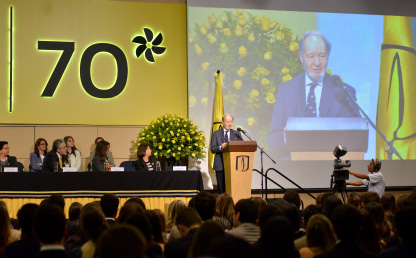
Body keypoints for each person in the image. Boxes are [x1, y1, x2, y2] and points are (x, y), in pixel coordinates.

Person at [267, 31, 361, 160]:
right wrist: (287, 138)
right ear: (301, 57)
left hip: (332, 167)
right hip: (294, 169)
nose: (317, 63)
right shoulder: (286, 90)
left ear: (327, 56)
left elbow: (357, 136)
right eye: (310, 56)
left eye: (322, 56)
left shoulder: (344, 92)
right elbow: (273, 138)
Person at [210, 114, 243, 193]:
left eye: (231, 121)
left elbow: (242, 146)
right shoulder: (216, 133)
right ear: (223, 122)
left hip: (233, 165)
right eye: (227, 122)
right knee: (221, 189)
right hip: (220, 164)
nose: (229, 124)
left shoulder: (236, 134)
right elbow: (212, 149)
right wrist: (221, 147)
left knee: (232, 188)